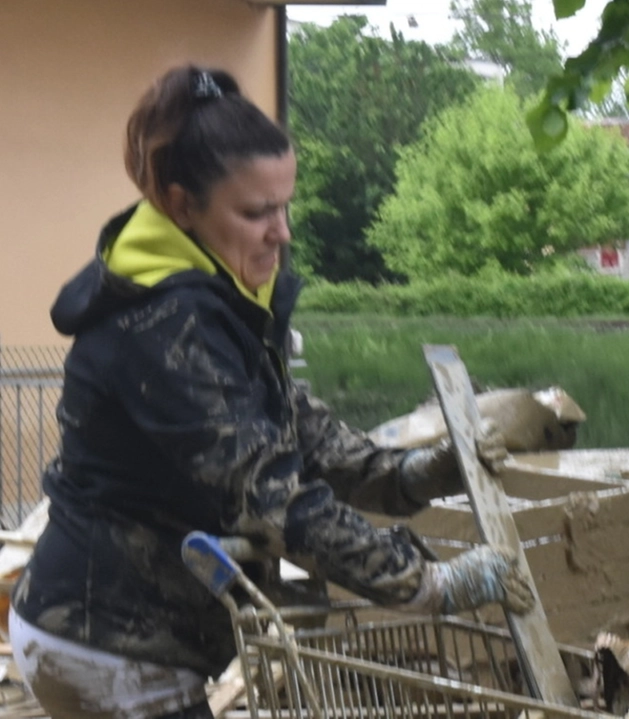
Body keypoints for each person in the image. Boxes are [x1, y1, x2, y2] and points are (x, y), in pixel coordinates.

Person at [10, 65, 534, 719]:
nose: (281, 230)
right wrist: (428, 584)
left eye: (284, 204)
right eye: (257, 211)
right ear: (180, 206)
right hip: (106, 639)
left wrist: (413, 474)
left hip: (133, 637)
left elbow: (295, 430)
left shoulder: (221, 303)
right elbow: (271, 496)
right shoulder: (165, 325)